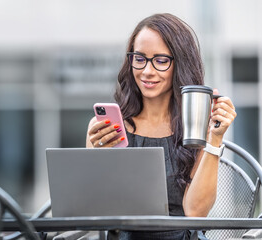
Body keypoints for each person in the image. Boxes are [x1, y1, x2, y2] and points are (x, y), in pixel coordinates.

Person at [86, 13, 236, 240]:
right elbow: (92, 210)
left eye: (161, 60)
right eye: (140, 58)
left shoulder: (196, 126)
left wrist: (214, 140)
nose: (147, 71)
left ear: (180, 63)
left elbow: (196, 214)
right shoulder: (108, 128)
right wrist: (98, 160)